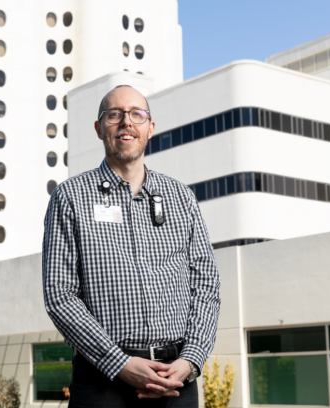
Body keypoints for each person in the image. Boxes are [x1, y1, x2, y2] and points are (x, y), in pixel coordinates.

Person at [42, 85, 221, 407]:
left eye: (137, 114)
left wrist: (191, 360)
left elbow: (206, 285)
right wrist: (119, 363)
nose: (126, 122)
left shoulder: (182, 198)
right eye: (114, 114)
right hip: (102, 382)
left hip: (175, 380)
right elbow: (60, 294)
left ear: (150, 128)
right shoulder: (70, 197)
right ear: (99, 129)